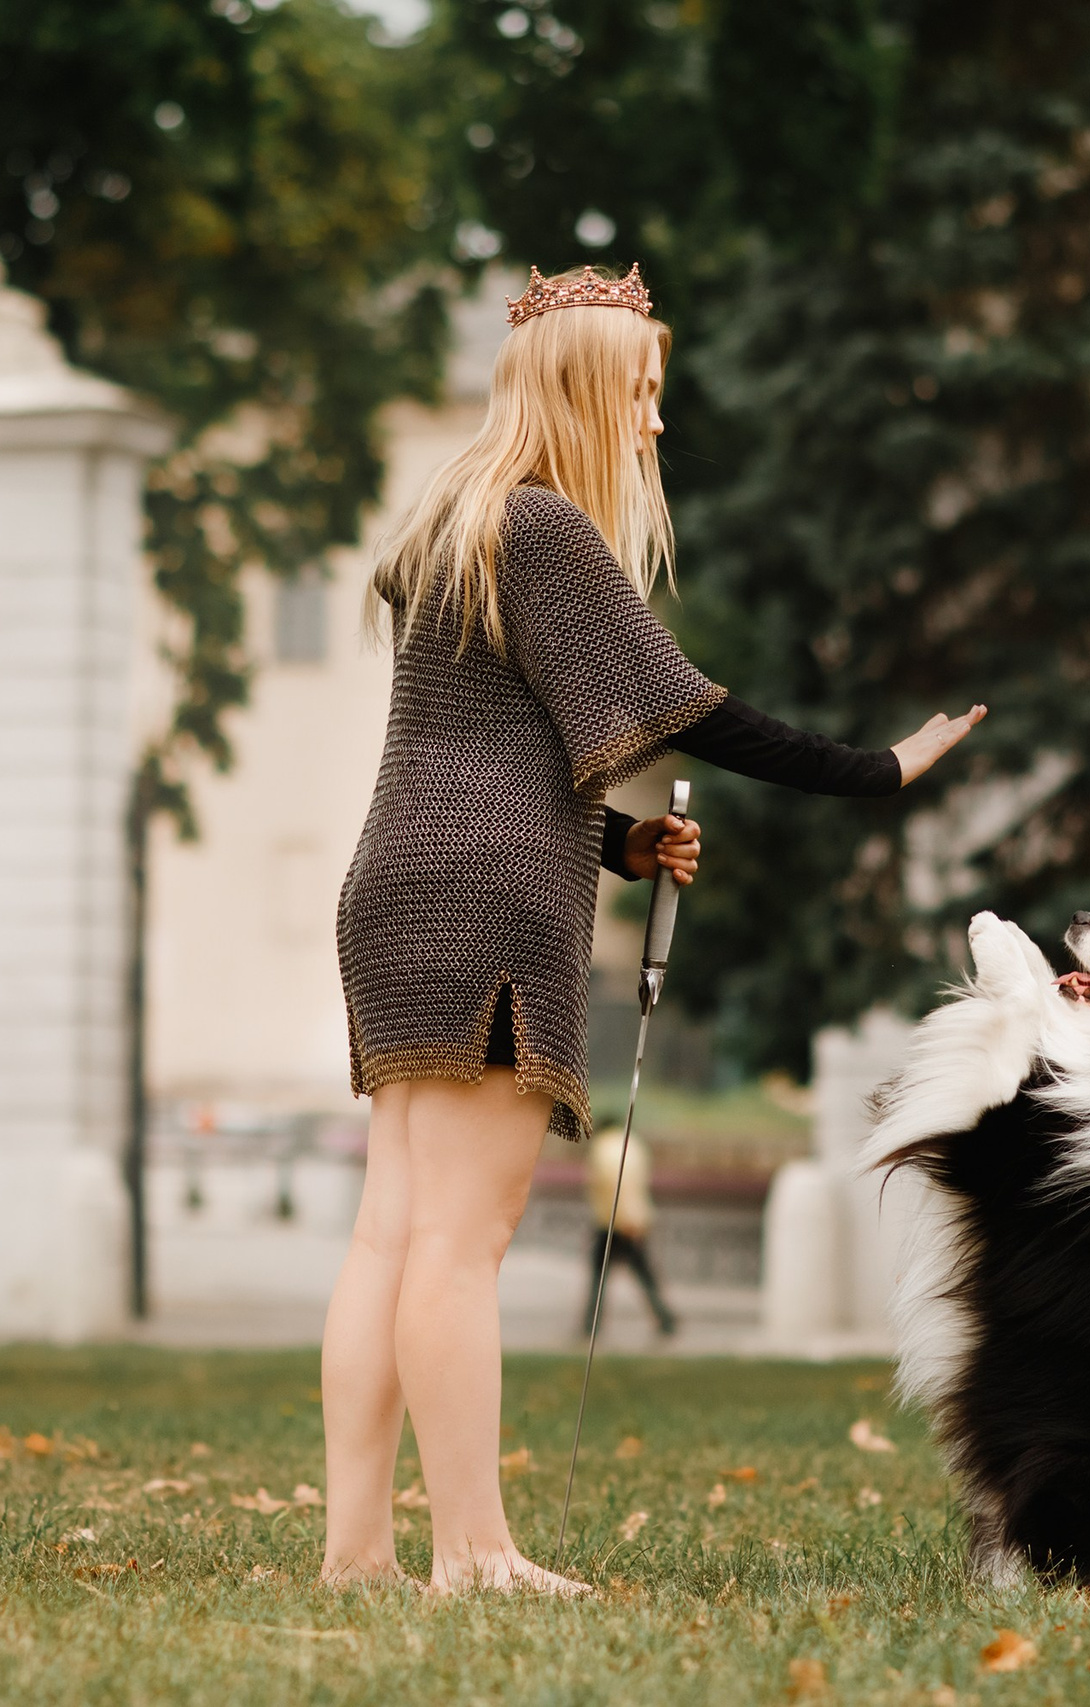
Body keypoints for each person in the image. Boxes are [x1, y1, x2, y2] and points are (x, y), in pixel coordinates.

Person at [320, 262, 984, 1595]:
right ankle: (475, 1551)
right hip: (486, 903)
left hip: (394, 884)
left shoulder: (447, 518)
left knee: (394, 1232)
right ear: (584, 385)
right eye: (644, 391)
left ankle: (359, 1552)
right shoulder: (547, 526)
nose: (656, 423)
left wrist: (621, 843)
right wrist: (881, 769)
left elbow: (482, 742)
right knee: (463, 1241)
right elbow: (689, 711)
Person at [582, 1125, 675, 1338]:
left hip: (613, 1222)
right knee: (644, 1274)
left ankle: (591, 1323)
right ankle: (664, 1317)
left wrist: (624, 1217)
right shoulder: (633, 1144)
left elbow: (617, 1186)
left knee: (600, 1275)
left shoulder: (603, 1149)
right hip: (633, 1220)